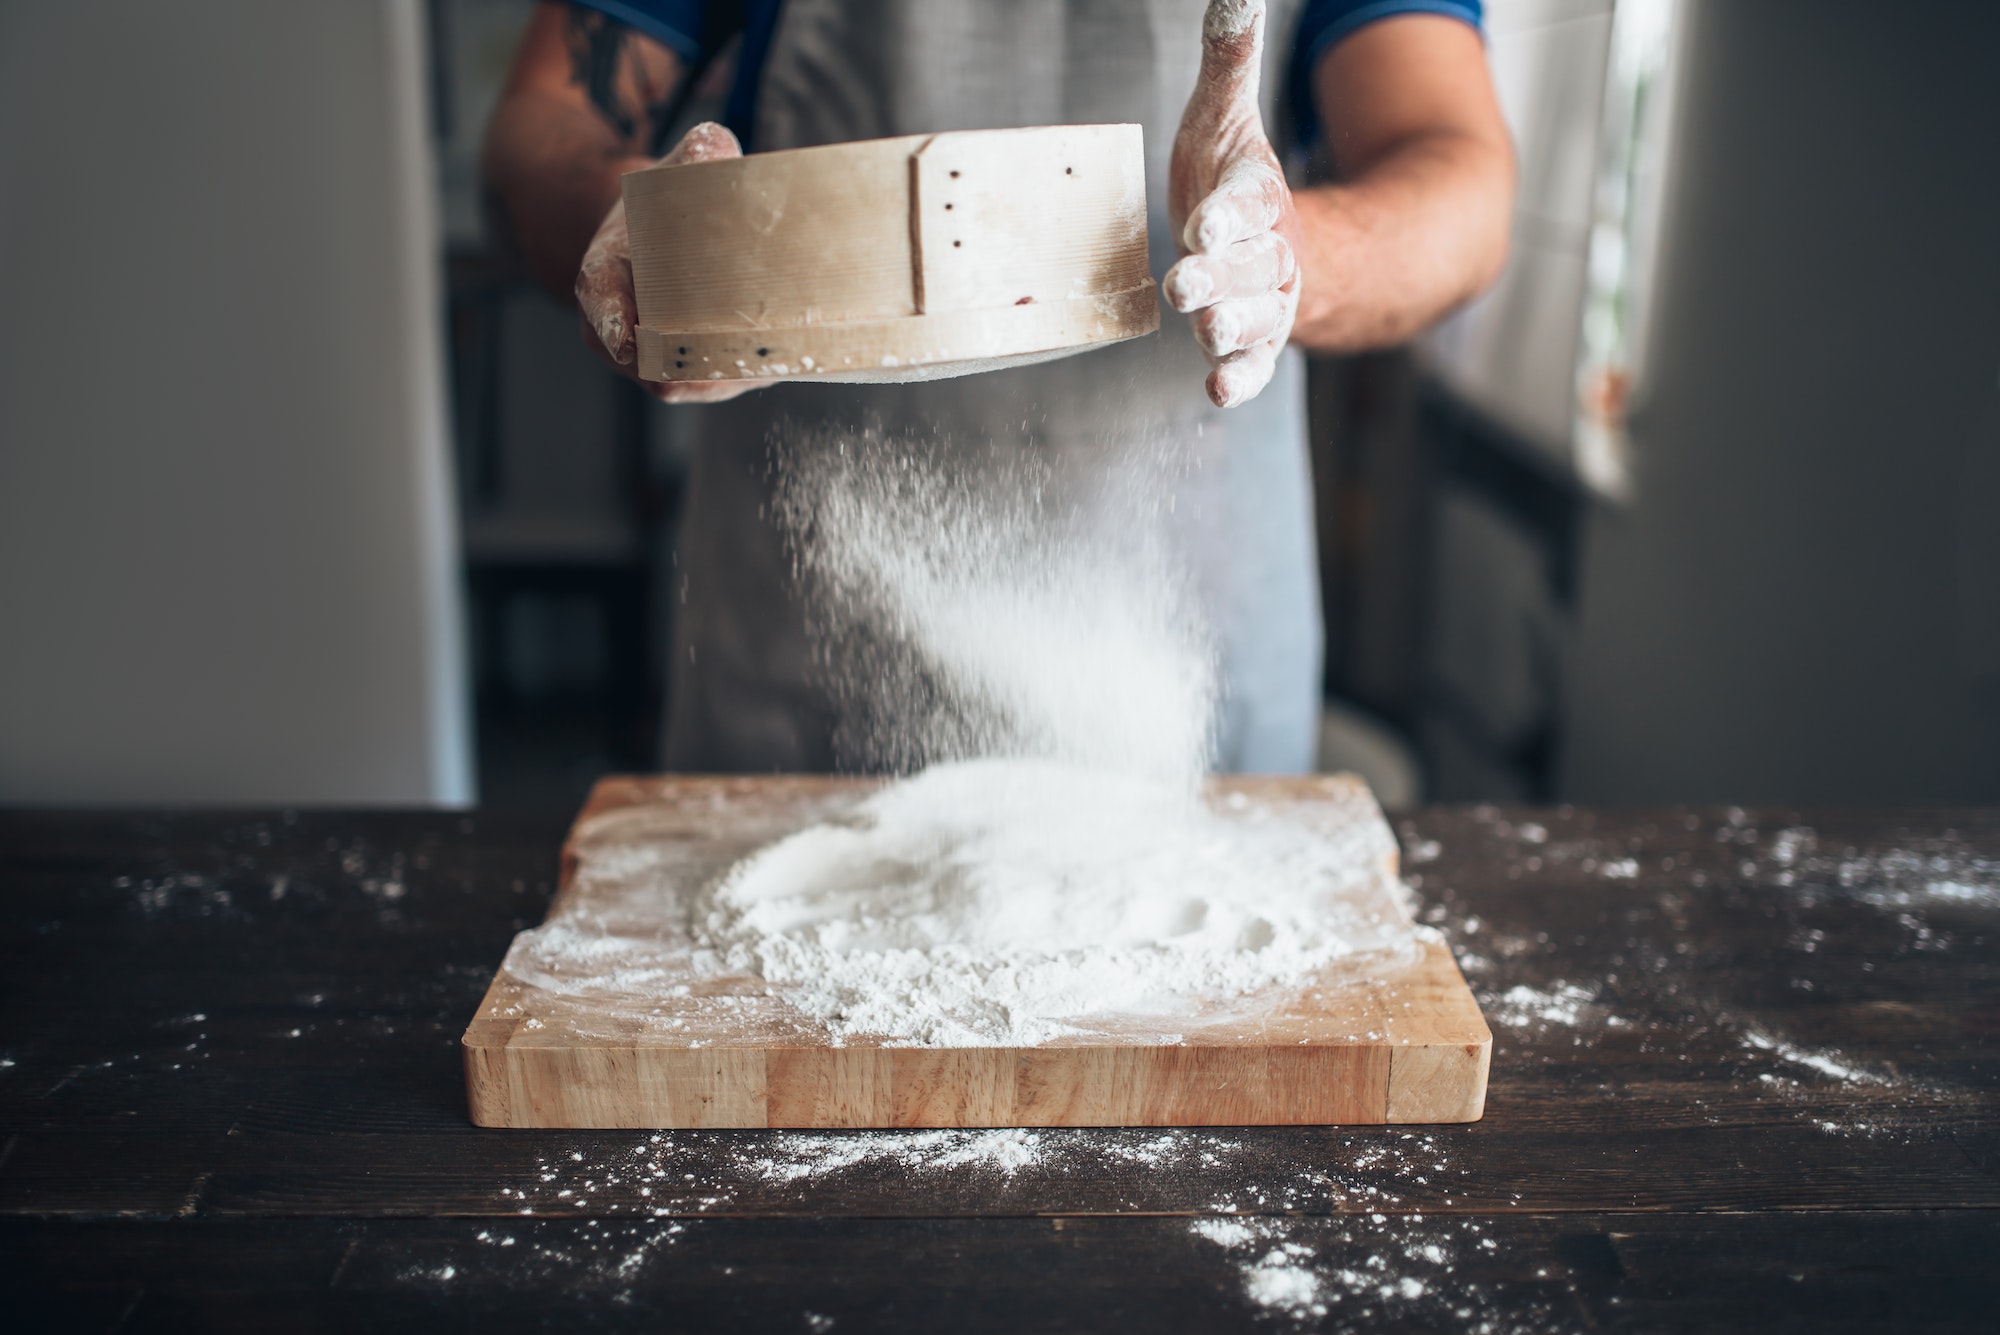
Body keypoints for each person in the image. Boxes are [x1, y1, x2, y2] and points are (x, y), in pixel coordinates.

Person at [484, 0, 1512, 774]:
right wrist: (634, 239)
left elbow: (1456, 172)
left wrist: (1283, 258)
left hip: (1177, 625)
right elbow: (543, 121)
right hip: (805, 625)